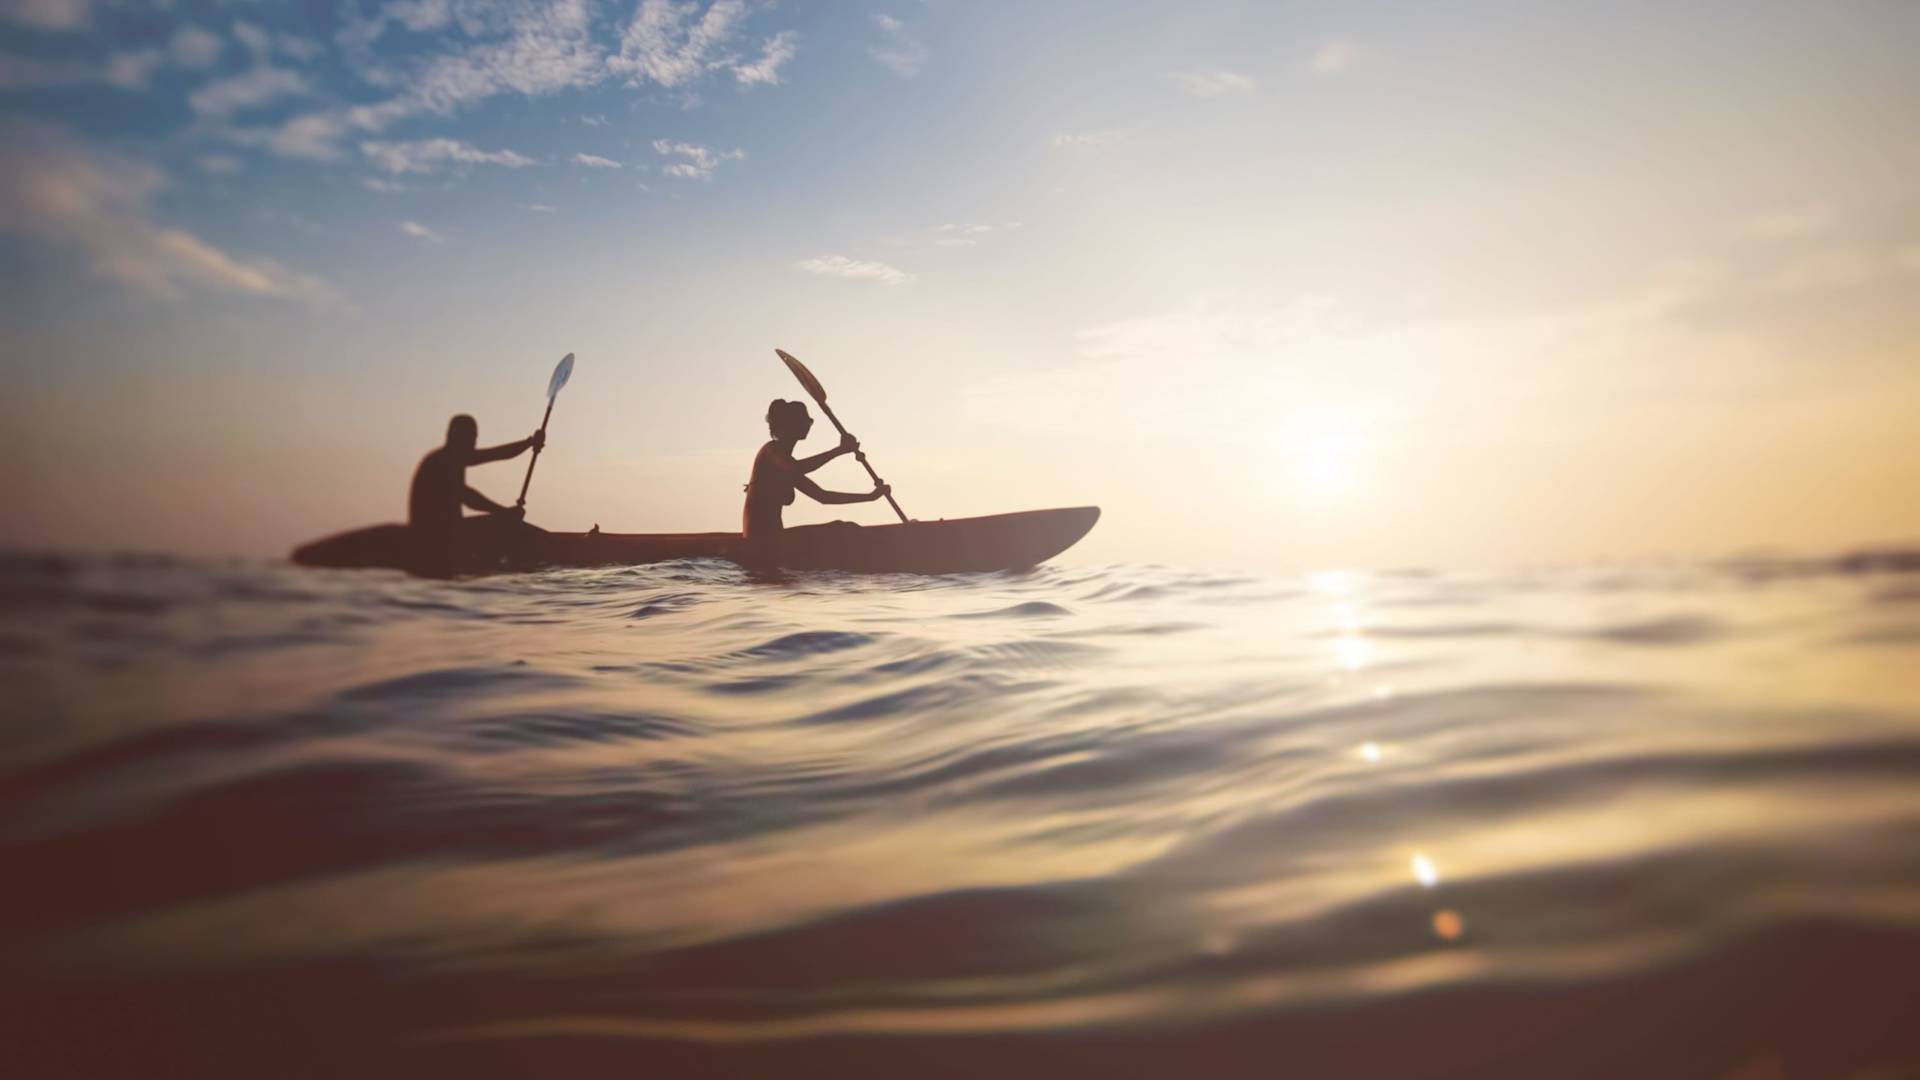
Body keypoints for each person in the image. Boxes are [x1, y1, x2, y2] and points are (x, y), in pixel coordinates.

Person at [407, 414, 545, 571]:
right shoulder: (441, 461)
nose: (474, 443)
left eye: (474, 437)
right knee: (504, 525)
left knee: (505, 521)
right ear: (454, 436)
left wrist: (529, 443)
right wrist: (504, 513)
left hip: (447, 531)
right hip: (437, 536)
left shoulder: (451, 456)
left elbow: (496, 454)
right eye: (470, 437)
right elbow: (467, 496)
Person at [743, 399, 889, 542]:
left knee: (843, 528)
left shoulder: (786, 467)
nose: (809, 423)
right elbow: (798, 468)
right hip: (762, 539)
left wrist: (871, 497)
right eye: (805, 419)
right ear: (791, 424)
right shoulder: (771, 450)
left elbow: (823, 496)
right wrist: (839, 451)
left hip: (773, 536)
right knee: (841, 530)